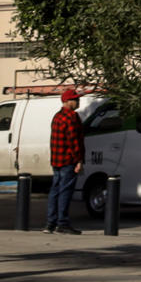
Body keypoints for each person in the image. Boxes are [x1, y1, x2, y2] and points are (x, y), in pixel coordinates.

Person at [46, 88, 84, 235]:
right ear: (67, 101)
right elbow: (74, 141)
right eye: (75, 99)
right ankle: (62, 223)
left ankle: (51, 223)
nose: (78, 101)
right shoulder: (72, 117)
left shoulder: (57, 116)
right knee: (65, 191)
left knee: (55, 190)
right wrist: (79, 160)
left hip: (56, 159)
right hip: (68, 160)